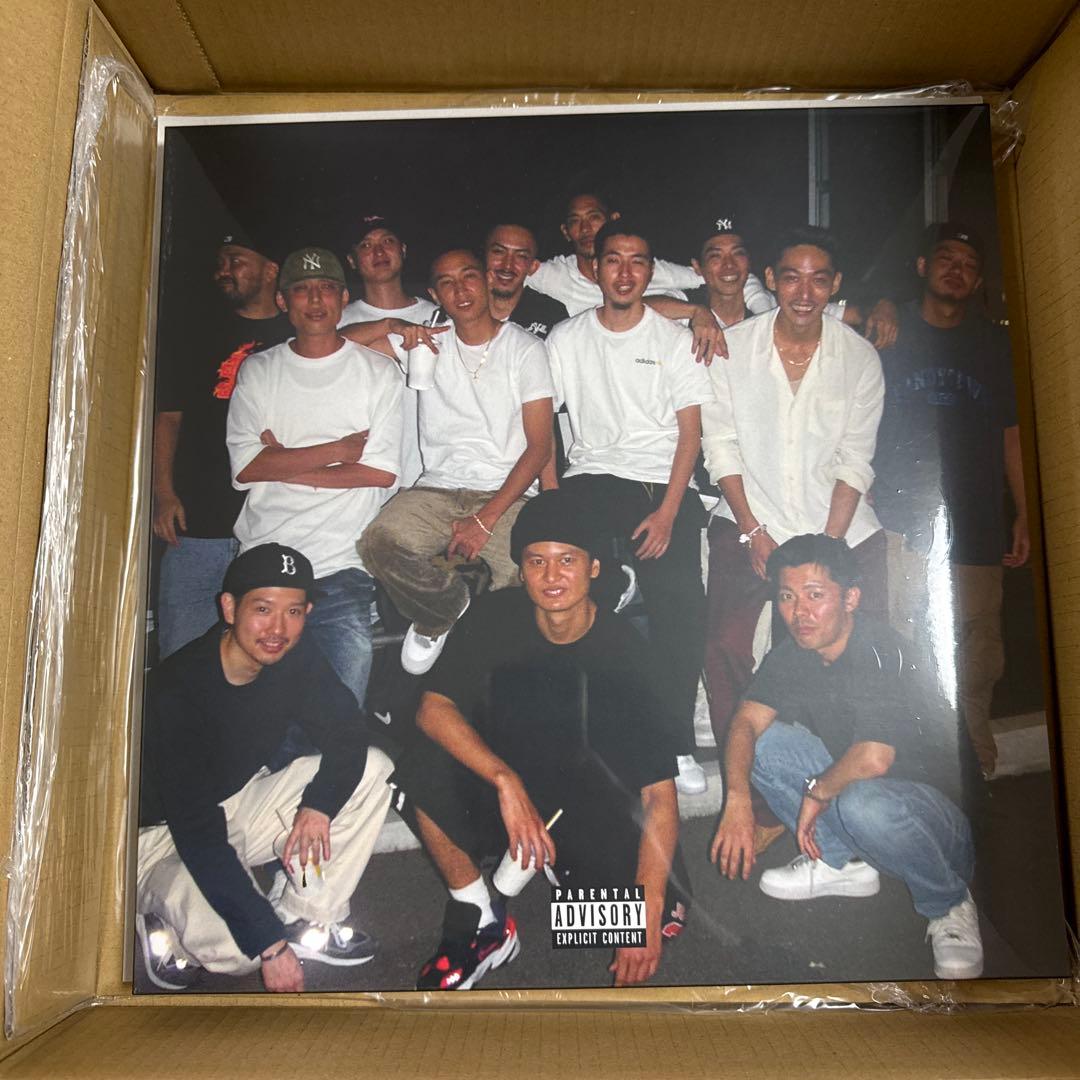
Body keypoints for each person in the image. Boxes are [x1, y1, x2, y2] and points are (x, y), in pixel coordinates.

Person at [394, 490, 685, 990]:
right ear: (522, 569)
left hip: (591, 803)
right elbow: (432, 709)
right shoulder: (494, 615)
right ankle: (481, 918)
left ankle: (554, 870)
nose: (552, 576)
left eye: (567, 560)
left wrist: (648, 902)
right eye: (537, 561)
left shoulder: (629, 654)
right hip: (515, 785)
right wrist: (505, 781)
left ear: (594, 568)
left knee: (615, 927)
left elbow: (659, 795)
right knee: (423, 765)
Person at [710, 534, 982, 981]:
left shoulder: (882, 650)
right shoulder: (796, 653)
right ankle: (843, 863)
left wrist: (816, 793)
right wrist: (737, 798)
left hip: (942, 825)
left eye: (815, 595)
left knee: (862, 802)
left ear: (851, 598)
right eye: (787, 597)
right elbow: (744, 723)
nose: (799, 612)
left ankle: (948, 901)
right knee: (764, 744)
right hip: (870, 795)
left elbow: (874, 759)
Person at [136, 544, 394, 992]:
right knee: (245, 951)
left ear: (307, 612)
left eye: (293, 611)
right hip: (158, 837)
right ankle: (163, 921)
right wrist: (270, 946)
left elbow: (347, 731)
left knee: (374, 769)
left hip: (237, 800)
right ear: (229, 608)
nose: (278, 628)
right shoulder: (177, 690)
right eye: (262, 609)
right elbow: (198, 833)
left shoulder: (293, 654)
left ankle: (304, 916)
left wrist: (319, 804)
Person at [700, 225, 887, 790]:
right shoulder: (732, 349)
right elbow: (720, 446)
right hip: (749, 517)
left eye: (818, 280)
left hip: (837, 527)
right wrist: (754, 531)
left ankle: (847, 789)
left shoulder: (859, 357)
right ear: (770, 280)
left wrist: (825, 554)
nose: (804, 293)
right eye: (791, 278)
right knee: (726, 645)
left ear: (836, 284)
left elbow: (856, 458)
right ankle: (750, 793)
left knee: (857, 652)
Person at [546, 218, 714, 796]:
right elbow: (543, 423)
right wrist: (551, 499)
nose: (624, 272)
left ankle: (675, 742)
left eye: (637, 260)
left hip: (660, 484)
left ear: (650, 271)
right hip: (592, 479)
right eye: (613, 259)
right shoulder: (566, 337)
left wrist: (668, 514)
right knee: (563, 590)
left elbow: (690, 435)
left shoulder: (674, 340)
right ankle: (578, 735)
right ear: (594, 268)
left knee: (682, 607)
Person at [872, 223, 1029, 778]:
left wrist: (1024, 513)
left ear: (978, 280)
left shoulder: (994, 344)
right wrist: (879, 302)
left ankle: (976, 757)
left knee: (979, 649)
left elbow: (1012, 434)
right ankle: (910, 759)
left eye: (968, 264)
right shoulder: (887, 331)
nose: (956, 270)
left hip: (977, 523)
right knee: (901, 638)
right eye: (946, 258)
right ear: (922, 266)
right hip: (899, 520)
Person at [358, 247, 555, 675]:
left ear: (486, 280)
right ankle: (441, 610)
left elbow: (539, 447)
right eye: (446, 283)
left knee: (525, 577)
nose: (460, 290)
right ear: (434, 295)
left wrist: (485, 520)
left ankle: (488, 671)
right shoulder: (428, 343)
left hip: (507, 492)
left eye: (468, 276)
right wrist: (394, 326)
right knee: (377, 542)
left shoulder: (525, 349)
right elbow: (337, 343)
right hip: (437, 486)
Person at [226, 246, 403, 707]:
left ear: (344, 298)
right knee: (260, 715)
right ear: (283, 301)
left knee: (340, 715)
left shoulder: (379, 373)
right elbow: (246, 468)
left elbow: (380, 473)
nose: (316, 300)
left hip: (341, 566)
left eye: (327, 288)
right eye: (302, 290)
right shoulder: (259, 371)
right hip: (264, 559)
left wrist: (284, 461)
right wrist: (338, 452)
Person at [152, 231, 290, 658]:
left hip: (272, 524)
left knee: (262, 661)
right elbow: (168, 417)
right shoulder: (196, 333)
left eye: (236, 260)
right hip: (198, 522)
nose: (223, 271)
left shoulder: (298, 333)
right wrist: (163, 493)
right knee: (183, 656)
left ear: (270, 270)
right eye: (220, 262)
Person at [527, 193, 774, 321]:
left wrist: (764, 318)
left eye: (594, 217)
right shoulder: (554, 274)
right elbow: (511, 275)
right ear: (565, 231)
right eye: (575, 221)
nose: (585, 229)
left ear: (613, 219)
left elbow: (723, 275)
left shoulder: (650, 269)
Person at [336, 213, 438, 491]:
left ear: (403, 250)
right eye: (366, 245)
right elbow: (322, 351)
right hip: (362, 472)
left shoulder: (436, 317)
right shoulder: (339, 321)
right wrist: (390, 325)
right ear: (352, 260)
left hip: (426, 472)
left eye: (387, 241)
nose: (379, 252)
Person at [485, 222, 570, 340]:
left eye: (521, 256)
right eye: (499, 252)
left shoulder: (551, 313)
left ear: (533, 267)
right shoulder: (463, 307)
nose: (507, 265)